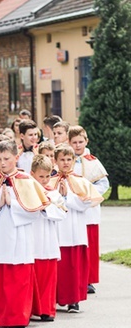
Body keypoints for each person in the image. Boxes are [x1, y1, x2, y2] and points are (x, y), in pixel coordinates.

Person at [0, 140, 48, 328]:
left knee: (18, 281)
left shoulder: (27, 180)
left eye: (6, 159)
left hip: (19, 238)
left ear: (15, 157)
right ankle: (1, 322)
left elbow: (35, 213)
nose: (2, 163)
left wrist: (13, 204)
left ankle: (18, 325)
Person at [50, 144, 103, 313]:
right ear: (55, 161)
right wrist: (60, 197)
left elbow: (86, 203)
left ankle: (74, 300)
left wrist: (67, 196)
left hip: (75, 229)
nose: (65, 163)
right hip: (58, 230)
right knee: (59, 266)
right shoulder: (50, 181)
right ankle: (57, 298)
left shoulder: (81, 181)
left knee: (73, 266)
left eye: (68, 159)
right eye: (62, 159)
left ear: (73, 161)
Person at [69, 126, 109, 294]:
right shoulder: (65, 160)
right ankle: (75, 278)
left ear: (86, 141)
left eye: (80, 142)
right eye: (74, 142)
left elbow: (104, 184)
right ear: (69, 143)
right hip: (72, 208)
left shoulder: (93, 161)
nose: (78, 146)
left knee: (90, 246)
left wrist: (89, 194)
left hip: (89, 210)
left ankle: (89, 279)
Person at [30, 155, 66, 322]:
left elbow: (61, 213)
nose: (44, 181)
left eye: (47, 176)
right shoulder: (27, 191)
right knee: (33, 277)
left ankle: (46, 309)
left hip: (48, 239)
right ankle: (31, 309)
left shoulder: (54, 193)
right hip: (32, 238)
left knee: (48, 276)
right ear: (33, 174)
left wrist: (46, 208)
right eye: (40, 177)